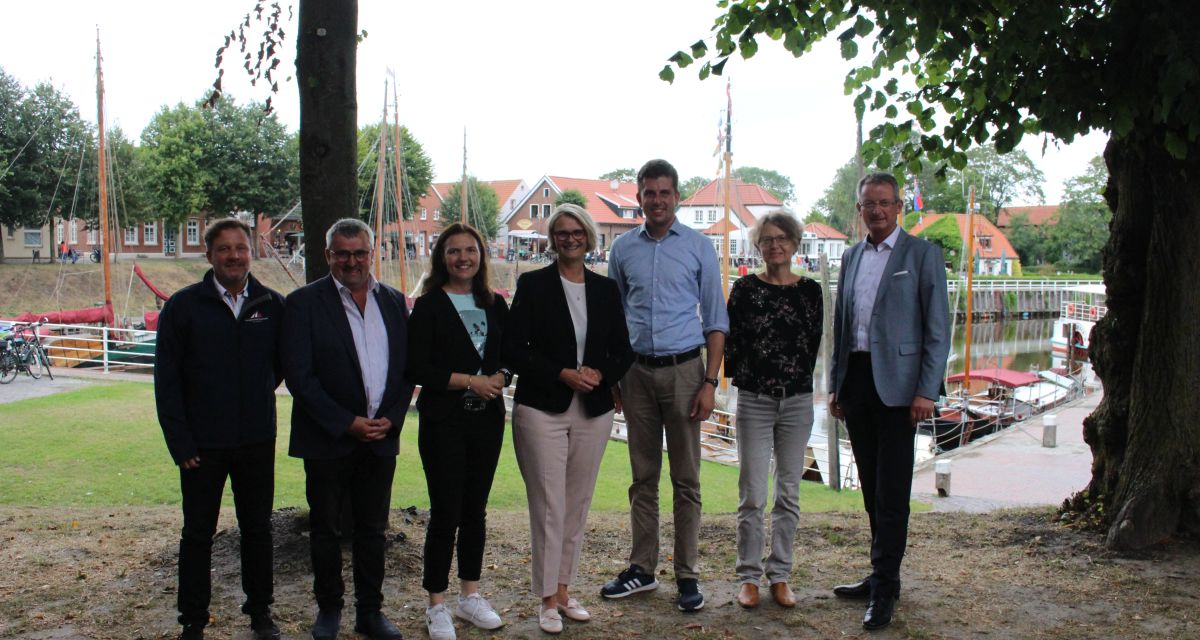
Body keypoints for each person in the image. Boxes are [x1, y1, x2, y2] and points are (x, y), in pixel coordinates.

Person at [602, 159, 729, 612]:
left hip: (685, 372)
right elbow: (613, 319)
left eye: (664, 192)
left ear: (677, 197)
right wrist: (616, 375)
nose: (656, 200)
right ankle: (642, 569)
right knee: (642, 477)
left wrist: (710, 382)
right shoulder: (622, 250)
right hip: (635, 373)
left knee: (687, 479)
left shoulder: (698, 248)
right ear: (638, 197)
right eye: (649, 193)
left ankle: (688, 574)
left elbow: (716, 320)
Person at [503, 204, 635, 634]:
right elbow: (514, 349)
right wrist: (561, 372)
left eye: (577, 231)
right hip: (542, 408)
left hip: (592, 411)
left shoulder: (605, 289)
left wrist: (602, 374)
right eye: (561, 232)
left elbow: (622, 350)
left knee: (576, 505)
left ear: (589, 236)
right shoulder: (533, 284)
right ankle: (545, 599)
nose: (569, 238)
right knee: (548, 506)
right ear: (552, 238)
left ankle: (563, 589)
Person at [828, 173, 950, 631]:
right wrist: (837, 384)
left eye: (883, 202)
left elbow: (937, 330)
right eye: (867, 203)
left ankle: (883, 590)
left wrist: (926, 390)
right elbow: (843, 325)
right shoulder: (852, 256)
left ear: (899, 206)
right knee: (871, 490)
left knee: (892, 493)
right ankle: (883, 574)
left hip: (901, 391)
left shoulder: (922, 255)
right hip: (857, 383)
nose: (875, 210)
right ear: (858, 209)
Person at [282, 218, 414, 640]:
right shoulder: (303, 303)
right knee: (325, 530)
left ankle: (369, 612)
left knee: (373, 531)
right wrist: (347, 423)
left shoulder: (394, 301)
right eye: (342, 253)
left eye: (359, 253)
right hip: (328, 440)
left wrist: (392, 417)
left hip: (380, 438)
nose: (351, 261)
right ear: (328, 256)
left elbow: (405, 371)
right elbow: (300, 378)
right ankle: (329, 610)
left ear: (371, 253)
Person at [154, 218, 285, 640]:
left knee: (258, 530)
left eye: (241, 248)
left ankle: (260, 613)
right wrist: (180, 441)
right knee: (197, 534)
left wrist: (258, 393)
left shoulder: (271, 304)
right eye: (224, 248)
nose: (234, 256)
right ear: (209, 254)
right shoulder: (183, 306)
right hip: (201, 445)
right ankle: (193, 620)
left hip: (255, 440)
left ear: (251, 252)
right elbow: (167, 380)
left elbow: (281, 364)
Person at [406, 223, 509, 640]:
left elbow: (508, 355)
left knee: (475, 511)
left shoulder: (495, 304)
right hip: (444, 422)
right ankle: (437, 604)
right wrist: (470, 379)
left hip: (487, 420)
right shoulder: (428, 306)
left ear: (480, 255)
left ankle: (470, 595)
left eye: (470, 250)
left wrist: (501, 375)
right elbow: (417, 369)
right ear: (441, 257)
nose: (463, 258)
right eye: (453, 251)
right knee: (445, 512)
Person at [725, 211, 823, 610]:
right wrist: (752, 379)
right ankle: (748, 576)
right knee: (752, 492)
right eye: (767, 239)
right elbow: (733, 345)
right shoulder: (745, 289)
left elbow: (813, 345)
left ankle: (780, 574)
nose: (775, 245)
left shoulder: (810, 291)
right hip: (755, 401)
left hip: (798, 401)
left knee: (789, 492)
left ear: (795, 243)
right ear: (758, 246)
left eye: (782, 238)